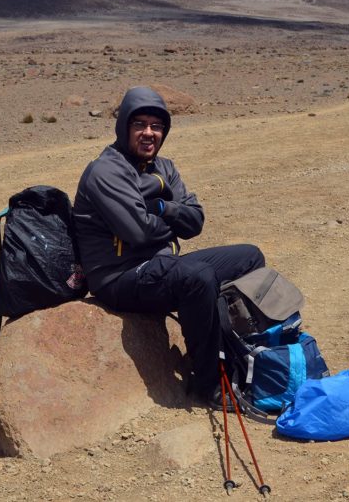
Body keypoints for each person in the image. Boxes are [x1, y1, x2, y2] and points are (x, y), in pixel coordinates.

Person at [72, 86, 265, 402]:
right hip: (119, 277)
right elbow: (139, 233)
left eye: (157, 126)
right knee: (198, 277)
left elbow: (195, 223)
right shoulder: (105, 171)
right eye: (140, 125)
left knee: (250, 258)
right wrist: (170, 223)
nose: (149, 133)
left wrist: (163, 208)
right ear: (124, 127)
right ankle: (210, 384)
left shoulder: (165, 168)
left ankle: (240, 351)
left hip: (159, 265)